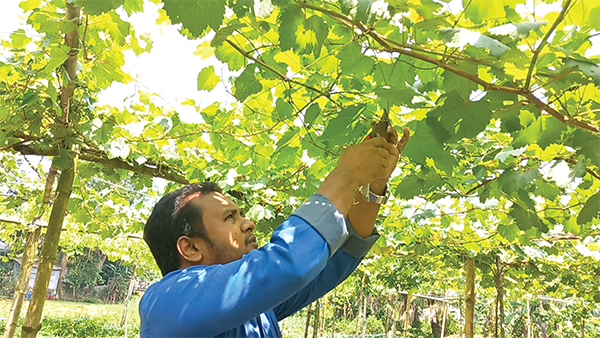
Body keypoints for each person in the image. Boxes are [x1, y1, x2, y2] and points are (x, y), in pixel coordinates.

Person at [140, 127, 409, 337]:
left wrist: (372, 186)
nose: (248, 223)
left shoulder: (251, 306)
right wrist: (346, 175)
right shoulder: (166, 301)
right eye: (230, 217)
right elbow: (289, 264)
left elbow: (333, 263)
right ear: (191, 248)